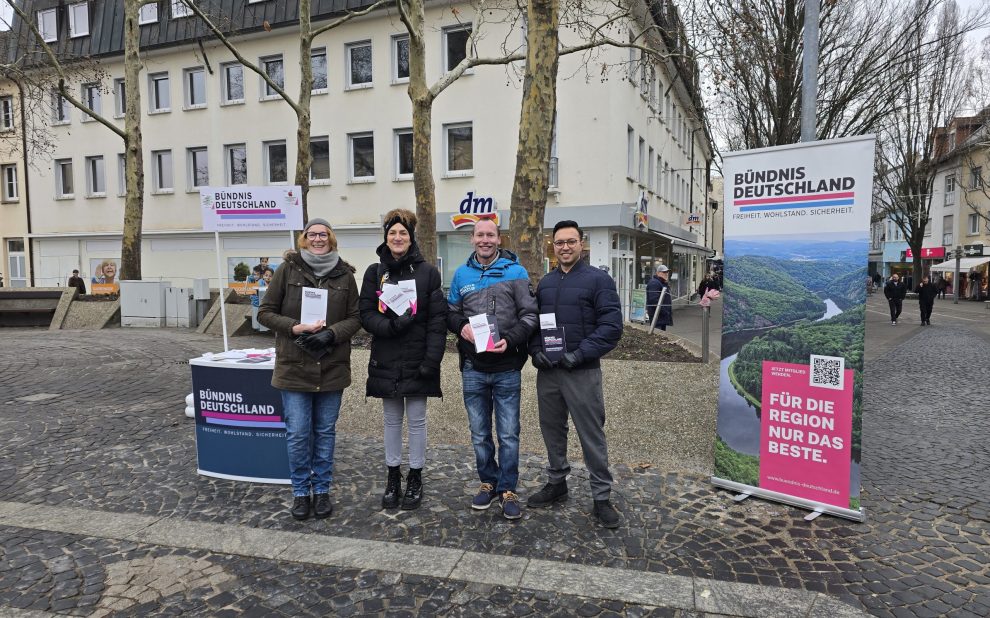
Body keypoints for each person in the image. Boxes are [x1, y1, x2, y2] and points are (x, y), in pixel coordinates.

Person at [257, 218, 361, 521]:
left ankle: (322, 490)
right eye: (312, 234)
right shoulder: (287, 270)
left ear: (331, 238)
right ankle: (301, 492)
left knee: (325, 433)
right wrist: (295, 327)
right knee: (299, 434)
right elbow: (265, 313)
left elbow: (356, 317)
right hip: (294, 366)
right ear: (304, 239)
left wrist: (332, 333)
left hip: (331, 365)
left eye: (323, 234)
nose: (318, 239)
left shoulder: (345, 275)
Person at [527, 220, 623, 528]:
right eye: (559, 242)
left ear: (581, 243)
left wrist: (579, 354)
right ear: (552, 246)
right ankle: (558, 482)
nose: (565, 247)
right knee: (552, 431)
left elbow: (611, 329)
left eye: (570, 241)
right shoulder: (546, 283)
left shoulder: (598, 281)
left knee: (591, 435)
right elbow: (534, 323)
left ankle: (601, 497)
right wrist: (535, 350)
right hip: (550, 373)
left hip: (582, 371)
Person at [447, 219, 538, 520]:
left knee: (509, 434)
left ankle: (508, 489)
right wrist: (461, 328)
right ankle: (488, 482)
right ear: (472, 239)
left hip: (507, 366)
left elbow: (529, 314)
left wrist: (511, 340)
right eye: (480, 235)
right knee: (479, 433)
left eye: (490, 235)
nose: (485, 240)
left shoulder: (516, 272)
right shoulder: (462, 275)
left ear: (499, 239)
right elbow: (451, 312)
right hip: (473, 366)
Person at [359, 209, 447, 511]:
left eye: (403, 233)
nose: (397, 238)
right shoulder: (375, 272)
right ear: (386, 237)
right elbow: (366, 315)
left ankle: (416, 476)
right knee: (392, 421)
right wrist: (392, 326)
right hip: (386, 358)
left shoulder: (428, 273)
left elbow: (437, 322)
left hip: (419, 358)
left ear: (411, 238)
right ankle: (393, 475)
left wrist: (431, 361)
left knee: (418, 422)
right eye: (393, 233)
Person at [646, 265, 673, 330]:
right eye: (664, 272)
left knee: (661, 335)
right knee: (657, 335)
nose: (666, 274)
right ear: (658, 273)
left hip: (661, 316)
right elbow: (654, 300)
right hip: (657, 316)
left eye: (667, 272)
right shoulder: (654, 283)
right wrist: (664, 311)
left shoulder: (661, 282)